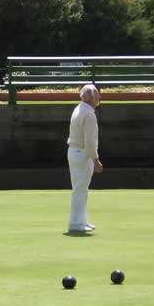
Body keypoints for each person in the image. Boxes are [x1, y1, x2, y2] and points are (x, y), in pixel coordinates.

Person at [67, 84, 103, 233]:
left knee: (81, 189)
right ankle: (76, 224)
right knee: (80, 190)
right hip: (81, 153)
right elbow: (90, 141)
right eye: (98, 94)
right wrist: (96, 160)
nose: (99, 97)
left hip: (74, 151)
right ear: (92, 97)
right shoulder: (89, 114)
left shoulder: (79, 109)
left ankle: (82, 221)